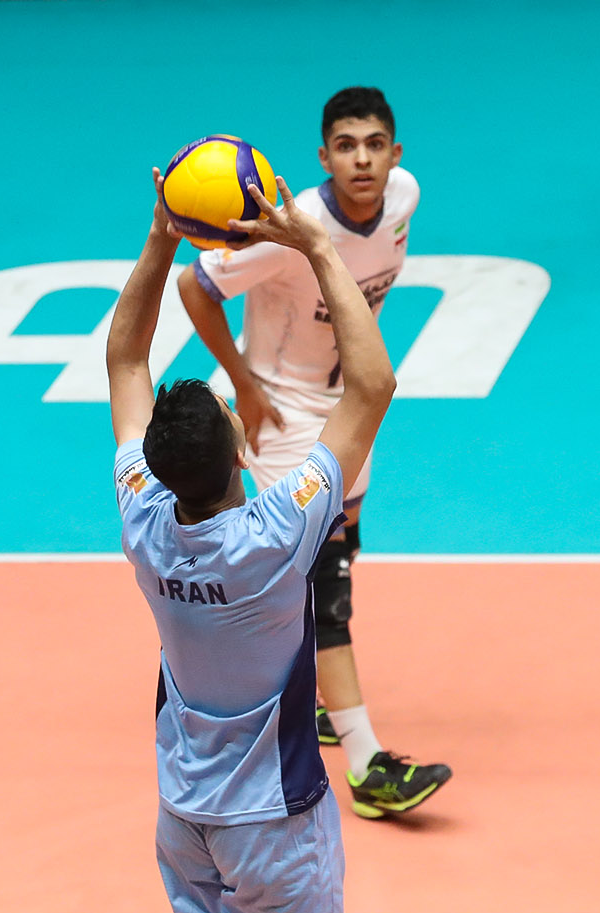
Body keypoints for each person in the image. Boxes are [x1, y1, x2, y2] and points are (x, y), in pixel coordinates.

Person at [108, 170, 389, 913]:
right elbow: (369, 385)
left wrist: (159, 238)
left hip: (186, 820)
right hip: (273, 823)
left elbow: (123, 359)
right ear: (232, 454)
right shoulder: (277, 534)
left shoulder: (142, 517)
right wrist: (315, 246)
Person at [179, 85, 452, 820]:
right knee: (319, 583)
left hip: (351, 408)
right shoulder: (288, 229)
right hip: (283, 417)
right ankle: (366, 766)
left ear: (395, 154)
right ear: (324, 158)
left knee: (341, 547)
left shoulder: (404, 198)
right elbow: (195, 286)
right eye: (346, 146)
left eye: (375, 145)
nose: (362, 160)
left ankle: (317, 695)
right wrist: (243, 384)